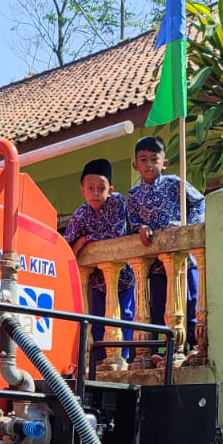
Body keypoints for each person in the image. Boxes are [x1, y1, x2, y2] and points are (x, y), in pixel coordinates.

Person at [126, 136, 203, 351]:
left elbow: (199, 202)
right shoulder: (133, 195)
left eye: (154, 159)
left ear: (164, 162)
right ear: (135, 165)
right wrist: (140, 228)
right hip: (158, 265)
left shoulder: (175, 183)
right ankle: (167, 353)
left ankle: (195, 348)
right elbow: (132, 220)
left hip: (185, 259)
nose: (149, 164)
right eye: (143, 159)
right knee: (161, 308)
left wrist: (186, 226)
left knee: (190, 304)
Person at [61, 157, 135, 370]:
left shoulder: (117, 202)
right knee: (98, 319)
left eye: (101, 188)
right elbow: (67, 243)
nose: (95, 193)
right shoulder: (81, 213)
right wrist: (78, 244)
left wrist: (85, 240)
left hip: (124, 277)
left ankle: (126, 357)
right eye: (90, 188)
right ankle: (102, 359)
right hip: (97, 281)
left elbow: (114, 234)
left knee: (125, 316)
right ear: (82, 190)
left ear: (110, 189)